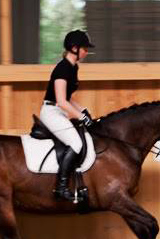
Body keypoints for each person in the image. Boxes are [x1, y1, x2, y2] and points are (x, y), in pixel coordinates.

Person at [40, 30, 95, 202]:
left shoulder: (73, 67)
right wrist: (80, 116)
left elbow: (69, 98)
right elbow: (61, 101)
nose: (86, 51)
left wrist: (84, 111)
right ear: (74, 48)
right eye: (84, 48)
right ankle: (61, 187)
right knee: (76, 143)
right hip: (51, 111)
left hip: (60, 110)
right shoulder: (63, 68)